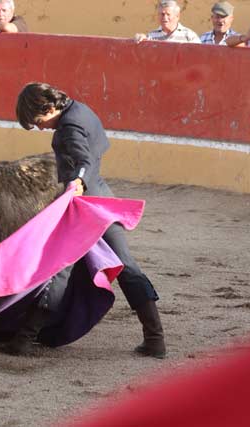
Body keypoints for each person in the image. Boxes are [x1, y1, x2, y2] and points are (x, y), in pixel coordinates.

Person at [15, 82, 167, 359]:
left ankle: (25, 338)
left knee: (59, 267)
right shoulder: (81, 110)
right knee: (127, 267)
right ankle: (155, 339)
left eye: (38, 121)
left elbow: (83, 159)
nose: (40, 128)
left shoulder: (68, 127)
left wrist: (78, 181)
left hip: (84, 204)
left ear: (49, 108)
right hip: (103, 198)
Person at [134, 0, 201, 44]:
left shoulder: (189, 36)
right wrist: (141, 39)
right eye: (162, 14)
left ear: (177, 16)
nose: (165, 18)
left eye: (168, 14)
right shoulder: (151, 36)